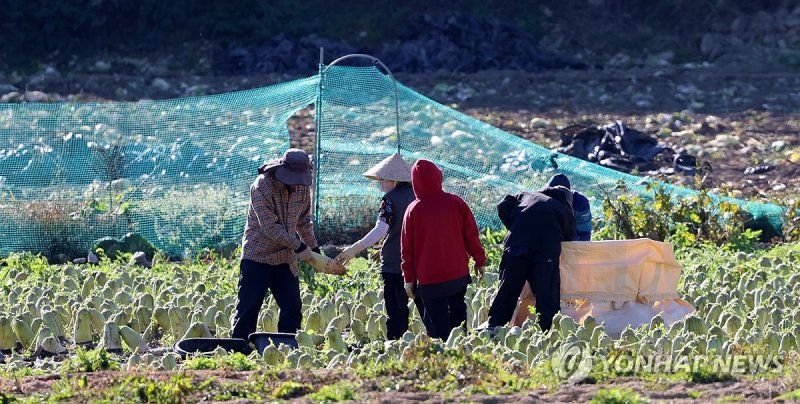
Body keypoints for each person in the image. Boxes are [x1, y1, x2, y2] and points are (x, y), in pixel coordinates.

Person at [231, 148, 322, 339]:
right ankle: (240, 349)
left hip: (285, 258)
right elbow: (270, 227)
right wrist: (300, 247)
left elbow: (304, 222)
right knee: (248, 309)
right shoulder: (262, 186)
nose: (297, 182)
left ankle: (287, 347)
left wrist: (314, 250)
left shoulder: (302, 188)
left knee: (292, 308)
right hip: (258, 255)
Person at [334, 153, 425, 339]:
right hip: (421, 263)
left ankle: (397, 345)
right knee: (427, 310)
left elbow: (380, 230)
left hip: (395, 264)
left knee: (397, 313)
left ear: (393, 180)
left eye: (382, 179)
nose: (380, 184)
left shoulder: (390, 199)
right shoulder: (420, 197)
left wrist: (353, 250)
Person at [401, 159, 486, 340]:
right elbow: (471, 235)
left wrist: (408, 279)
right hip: (458, 276)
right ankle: (463, 351)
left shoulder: (412, 210)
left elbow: (407, 250)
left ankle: (444, 354)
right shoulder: (456, 202)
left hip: (430, 281)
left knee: (438, 328)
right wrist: (479, 260)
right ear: (438, 177)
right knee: (458, 320)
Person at [487, 182, 577, 331]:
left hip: (516, 247)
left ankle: (494, 327)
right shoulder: (563, 209)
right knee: (546, 293)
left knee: (508, 288)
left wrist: (516, 226)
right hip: (544, 253)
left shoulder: (526, 195)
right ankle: (547, 332)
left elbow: (503, 204)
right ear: (567, 201)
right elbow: (570, 240)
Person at [511, 173, 591, 326]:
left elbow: (583, 236)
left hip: (568, 241)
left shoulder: (579, 203)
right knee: (545, 282)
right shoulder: (540, 199)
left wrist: (570, 254)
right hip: (545, 246)